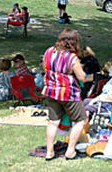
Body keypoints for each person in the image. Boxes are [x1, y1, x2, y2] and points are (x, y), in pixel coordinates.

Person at [43, 28, 86, 160]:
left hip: (51, 92)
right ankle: (70, 151)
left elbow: (45, 68)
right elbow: (81, 77)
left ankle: (49, 152)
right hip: (69, 94)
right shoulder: (72, 58)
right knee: (81, 120)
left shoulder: (49, 51)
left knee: (52, 122)